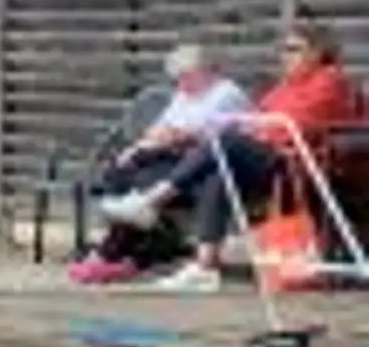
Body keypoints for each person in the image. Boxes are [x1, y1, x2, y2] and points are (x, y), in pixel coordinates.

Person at [98, 21, 358, 292]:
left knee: (225, 140)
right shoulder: (287, 85)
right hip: (270, 156)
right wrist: (256, 128)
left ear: (318, 52)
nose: (285, 56)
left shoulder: (329, 82)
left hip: (298, 164)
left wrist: (255, 129)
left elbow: (292, 125)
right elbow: (258, 119)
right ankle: (205, 266)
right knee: (220, 170)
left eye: (293, 49)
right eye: (283, 49)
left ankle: (151, 201)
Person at [68, 43, 252, 285]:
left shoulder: (226, 94)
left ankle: (120, 253)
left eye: (186, 76)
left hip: (206, 168)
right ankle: (127, 251)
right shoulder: (185, 95)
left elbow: (200, 134)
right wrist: (138, 148)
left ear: (205, 71)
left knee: (143, 180)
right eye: (177, 78)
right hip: (179, 159)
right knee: (124, 170)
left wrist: (170, 136)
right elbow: (159, 129)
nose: (181, 84)